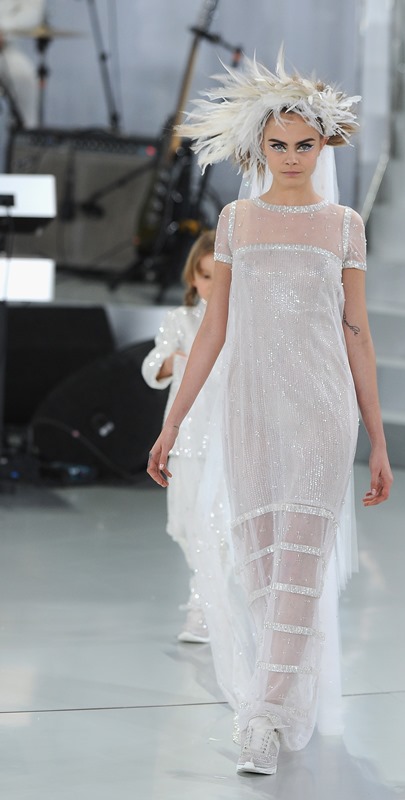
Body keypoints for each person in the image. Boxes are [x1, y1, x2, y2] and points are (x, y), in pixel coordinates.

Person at [147, 50, 393, 776]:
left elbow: (358, 335)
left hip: (322, 411)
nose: (291, 157)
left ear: (324, 145)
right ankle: (280, 700)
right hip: (250, 409)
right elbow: (213, 332)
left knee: (299, 567)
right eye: (279, 145)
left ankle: (262, 716)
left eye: (304, 145)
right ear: (259, 147)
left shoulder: (344, 226)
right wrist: (171, 423)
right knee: (259, 562)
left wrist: (379, 440)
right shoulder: (236, 222)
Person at [142, 230, 218, 644]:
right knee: (187, 525)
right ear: (192, 277)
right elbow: (152, 366)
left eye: (220, 276)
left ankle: (205, 607)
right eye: (205, 276)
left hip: (225, 440)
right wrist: (175, 361)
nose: (212, 285)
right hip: (186, 441)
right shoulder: (180, 321)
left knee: (218, 526)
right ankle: (206, 600)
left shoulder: (241, 323)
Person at [0, 0, 44, 128]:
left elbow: (32, 14)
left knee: (23, 75)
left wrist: (4, 28)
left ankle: (26, 133)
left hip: (5, 48)